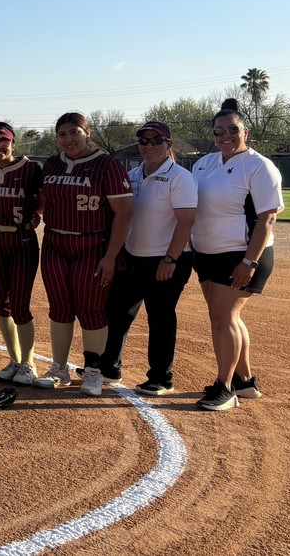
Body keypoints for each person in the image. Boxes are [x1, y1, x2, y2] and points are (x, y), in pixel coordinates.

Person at [190, 99, 284, 410]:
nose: (225, 135)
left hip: (241, 254)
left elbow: (267, 218)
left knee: (223, 318)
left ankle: (225, 387)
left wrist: (249, 262)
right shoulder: (204, 163)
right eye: (219, 131)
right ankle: (245, 382)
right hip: (206, 253)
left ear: (245, 131)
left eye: (232, 129)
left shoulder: (259, 166)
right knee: (227, 317)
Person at [33, 112, 133, 396]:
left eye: (75, 132)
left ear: (87, 133)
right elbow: (43, 203)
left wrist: (111, 256)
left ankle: (93, 371)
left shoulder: (107, 165)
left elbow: (125, 213)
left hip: (92, 244)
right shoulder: (52, 163)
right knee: (59, 308)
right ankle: (59, 369)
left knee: (91, 310)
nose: (69, 139)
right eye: (62, 134)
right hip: (54, 242)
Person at [101, 121, 196, 396]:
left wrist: (170, 259)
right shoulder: (132, 175)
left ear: (169, 144)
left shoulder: (179, 177)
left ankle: (161, 378)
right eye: (144, 141)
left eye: (156, 140)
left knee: (160, 317)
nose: (149, 145)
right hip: (133, 258)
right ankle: (110, 368)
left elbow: (186, 222)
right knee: (117, 312)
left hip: (166, 260)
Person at [0, 123, 44, 385]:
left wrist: (35, 215)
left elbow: (43, 199)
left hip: (22, 240)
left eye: (3, 141)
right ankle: (15, 359)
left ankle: (29, 363)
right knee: (1, 303)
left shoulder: (30, 168)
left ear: (13, 142)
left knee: (20, 305)